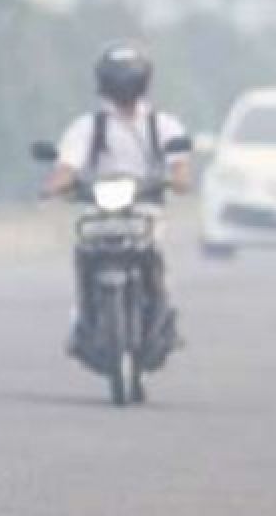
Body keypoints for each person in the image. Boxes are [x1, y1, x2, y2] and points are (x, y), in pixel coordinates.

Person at [41, 42, 191, 357]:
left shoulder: (162, 125)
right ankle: (83, 318)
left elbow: (180, 168)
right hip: (99, 211)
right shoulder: (88, 127)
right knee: (83, 254)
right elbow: (67, 167)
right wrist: (54, 187)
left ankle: (163, 316)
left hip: (144, 208)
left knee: (156, 254)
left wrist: (175, 180)